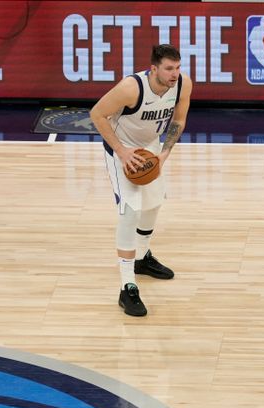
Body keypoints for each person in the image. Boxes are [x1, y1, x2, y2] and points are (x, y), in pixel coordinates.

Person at [89, 44, 192, 317]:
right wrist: (121, 152)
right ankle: (127, 286)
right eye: (169, 69)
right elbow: (96, 114)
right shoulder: (130, 88)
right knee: (131, 210)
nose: (174, 74)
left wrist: (164, 154)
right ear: (154, 68)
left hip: (151, 148)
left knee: (154, 203)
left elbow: (178, 121)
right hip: (121, 149)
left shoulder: (183, 85)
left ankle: (141, 258)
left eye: (177, 67)